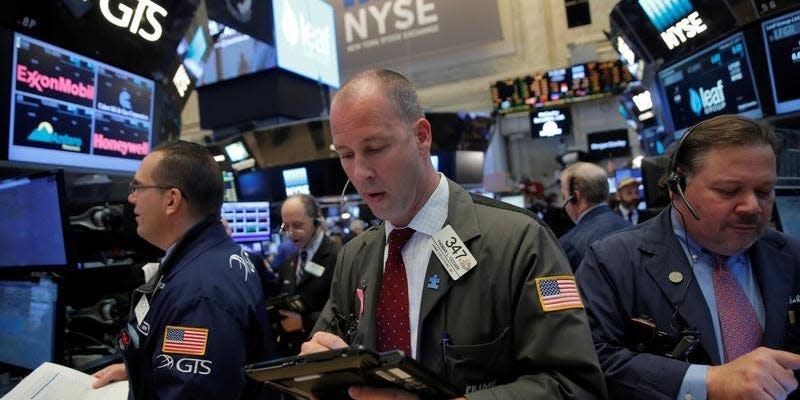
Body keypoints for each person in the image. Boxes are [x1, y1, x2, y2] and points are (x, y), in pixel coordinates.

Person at [300, 69, 606, 399]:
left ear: (421, 137)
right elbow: (322, 361)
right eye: (346, 155)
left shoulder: (521, 242)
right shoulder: (353, 259)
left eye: (374, 148)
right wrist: (319, 373)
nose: (360, 173)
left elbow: (577, 386)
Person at [576, 114, 800, 400]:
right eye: (729, 191)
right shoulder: (613, 262)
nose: (752, 207)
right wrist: (706, 381)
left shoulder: (791, 256)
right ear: (676, 187)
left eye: (764, 191)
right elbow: (590, 358)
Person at [92, 141, 273, 399]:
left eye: (138, 187)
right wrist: (145, 367)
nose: (131, 198)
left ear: (172, 200)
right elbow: (184, 342)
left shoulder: (200, 292)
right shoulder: (216, 256)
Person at [272, 194, 341, 356]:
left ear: (316, 219)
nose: (291, 233)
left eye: (297, 225)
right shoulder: (289, 262)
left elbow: (347, 313)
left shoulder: (338, 256)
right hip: (293, 351)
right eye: (286, 227)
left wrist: (304, 321)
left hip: (326, 352)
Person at [558, 162, 631, 271]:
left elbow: (552, 287)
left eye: (564, 197)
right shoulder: (631, 227)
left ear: (575, 197)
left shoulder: (567, 246)